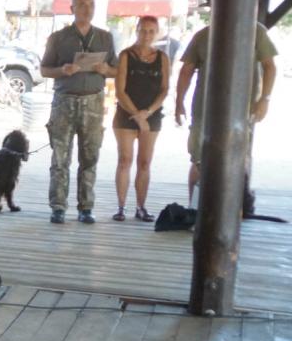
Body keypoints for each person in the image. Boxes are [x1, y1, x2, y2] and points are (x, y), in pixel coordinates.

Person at [174, 22, 277, 203]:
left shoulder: (256, 31)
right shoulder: (203, 35)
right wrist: (179, 102)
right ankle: (195, 208)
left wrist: (265, 99)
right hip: (205, 108)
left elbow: (270, 66)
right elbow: (186, 70)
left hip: (241, 109)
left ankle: (234, 208)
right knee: (199, 159)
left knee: (238, 158)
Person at [40, 0, 117, 224]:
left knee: (90, 156)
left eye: (91, 4)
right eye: (81, 4)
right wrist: (62, 70)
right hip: (64, 101)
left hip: (93, 101)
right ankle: (58, 207)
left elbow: (116, 70)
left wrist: (106, 70)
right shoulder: (58, 38)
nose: (87, 8)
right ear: (72, 9)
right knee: (60, 157)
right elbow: (44, 70)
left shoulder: (105, 37)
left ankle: (86, 207)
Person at [112, 16, 169, 222]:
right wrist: (137, 115)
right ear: (136, 31)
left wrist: (148, 112)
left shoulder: (162, 57)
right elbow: (120, 91)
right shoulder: (126, 55)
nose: (147, 35)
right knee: (124, 160)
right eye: (143, 30)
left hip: (151, 115)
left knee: (144, 162)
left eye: (151, 31)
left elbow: (164, 89)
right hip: (126, 113)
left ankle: (141, 206)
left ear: (157, 33)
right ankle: (121, 207)